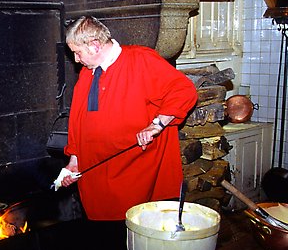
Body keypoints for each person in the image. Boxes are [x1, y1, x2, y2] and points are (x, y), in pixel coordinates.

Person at [58, 16, 198, 221]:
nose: (76, 60)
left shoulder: (141, 60)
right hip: (96, 173)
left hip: (135, 171)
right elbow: (78, 120)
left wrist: (156, 125)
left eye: (77, 53)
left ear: (95, 45)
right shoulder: (87, 73)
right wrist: (75, 160)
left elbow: (184, 91)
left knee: (134, 233)